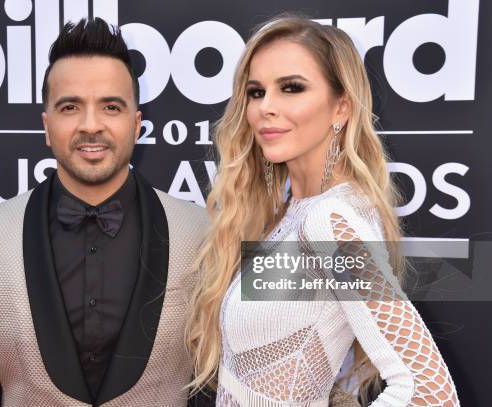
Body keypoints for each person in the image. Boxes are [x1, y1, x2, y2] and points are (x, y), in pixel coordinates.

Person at [0, 18, 208, 406]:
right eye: (70, 107)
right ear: (47, 126)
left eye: (110, 106)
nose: (91, 125)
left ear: (136, 124)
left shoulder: (203, 231)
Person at [187, 16, 459, 406]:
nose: (267, 107)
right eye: (256, 92)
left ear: (341, 107)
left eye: (291, 88)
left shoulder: (331, 220)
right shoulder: (291, 212)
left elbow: (430, 391)